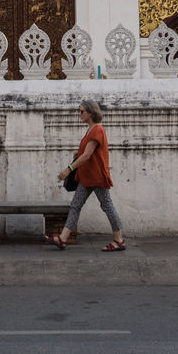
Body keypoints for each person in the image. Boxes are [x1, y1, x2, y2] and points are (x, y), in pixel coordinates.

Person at [48, 99, 125, 251]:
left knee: (107, 205)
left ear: (91, 113)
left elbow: (87, 155)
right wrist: (80, 153)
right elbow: (87, 152)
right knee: (75, 205)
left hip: (96, 176)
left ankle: (119, 239)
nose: (80, 114)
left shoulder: (97, 130)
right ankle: (63, 238)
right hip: (86, 176)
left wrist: (68, 169)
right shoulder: (90, 129)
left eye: (82, 111)